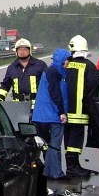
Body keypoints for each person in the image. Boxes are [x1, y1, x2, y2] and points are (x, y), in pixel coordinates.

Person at [64, 35, 99, 177]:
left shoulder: (67, 64)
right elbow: (94, 88)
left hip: (66, 110)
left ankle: (72, 164)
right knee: (77, 136)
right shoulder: (89, 66)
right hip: (80, 109)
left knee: (69, 135)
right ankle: (73, 166)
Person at [32, 48, 71, 180]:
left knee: (49, 144)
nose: (68, 64)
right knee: (55, 144)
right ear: (62, 60)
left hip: (42, 115)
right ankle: (56, 172)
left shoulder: (51, 71)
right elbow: (55, 93)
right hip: (52, 114)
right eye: (67, 61)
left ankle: (48, 172)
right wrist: (61, 112)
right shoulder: (55, 73)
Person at [0, 38, 47, 111]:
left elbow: (49, 83)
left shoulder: (40, 65)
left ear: (30, 51)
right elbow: (5, 85)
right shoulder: (12, 68)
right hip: (18, 107)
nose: (22, 52)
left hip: (37, 107)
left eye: (25, 49)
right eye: (20, 50)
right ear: (16, 51)